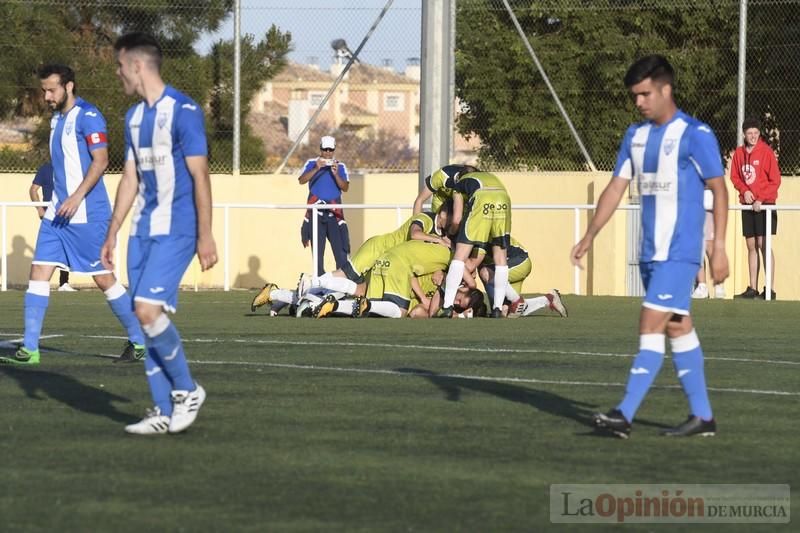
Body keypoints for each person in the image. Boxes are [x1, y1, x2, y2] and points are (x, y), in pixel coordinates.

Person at [570, 55, 729, 438]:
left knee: (649, 323)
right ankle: (703, 417)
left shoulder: (696, 134)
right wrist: (591, 234)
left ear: (665, 90)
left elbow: (720, 188)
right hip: (650, 254)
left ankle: (623, 415)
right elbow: (615, 188)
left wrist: (718, 245)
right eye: (635, 96)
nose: (639, 102)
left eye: (644, 94)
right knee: (678, 328)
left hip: (680, 252)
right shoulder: (635, 137)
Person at [101, 32, 217, 434]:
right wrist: (112, 231)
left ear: (136, 65)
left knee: (148, 310)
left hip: (179, 228)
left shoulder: (184, 110)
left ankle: (186, 391)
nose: (118, 74)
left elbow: (199, 173)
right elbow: (130, 178)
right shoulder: (133, 118)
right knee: (141, 316)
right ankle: (162, 411)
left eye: (119, 66)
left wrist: (206, 234)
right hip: (140, 232)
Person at [0, 64, 145, 367]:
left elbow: (101, 161)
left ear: (69, 86)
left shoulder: (89, 116)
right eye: (44, 90)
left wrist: (77, 197)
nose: (47, 95)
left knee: (103, 279)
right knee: (38, 272)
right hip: (57, 215)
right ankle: (30, 349)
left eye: (52, 89)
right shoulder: (56, 119)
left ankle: (139, 339)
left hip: (87, 215)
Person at [730, 118, 781, 300]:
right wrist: (745, 192)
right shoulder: (739, 153)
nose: (753, 136)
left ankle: (770, 289)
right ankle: (753, 288)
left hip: (765, 205)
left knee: (763, 244)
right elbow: (735, 177)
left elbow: (775, 180)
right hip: (747, 205)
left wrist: (761, 198)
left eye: (756, 133)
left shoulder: (766, 152)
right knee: (751, 245)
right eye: (749, 133)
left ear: (759, 134)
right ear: (744, 134)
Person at [299, 136, 350, 276]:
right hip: (316, 215)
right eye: (325, 149)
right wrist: (317, 168)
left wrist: (335, 174)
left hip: (334, 215)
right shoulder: (311, 163)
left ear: (334, 150)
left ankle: (341, 284)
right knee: (317, 255)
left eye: (330, 150)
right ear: (320, 148)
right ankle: (319, 284)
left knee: (340, 253)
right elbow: (301, 180)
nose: (327, 153)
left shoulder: (340, 166)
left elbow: (345, 187)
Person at [30, 161, 74, 291]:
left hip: (66, 214)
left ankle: (64, 283)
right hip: (49, 215)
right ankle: (40, 283)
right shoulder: (46, 169)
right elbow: (33, 189)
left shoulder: (70, 167)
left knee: (66, 246)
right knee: (47, 247)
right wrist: (39, 209)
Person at [692, 188, 725, 299]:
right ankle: (702, 286)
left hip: (708, 205)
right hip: (693, 206)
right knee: (697, 247)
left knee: (709, 246)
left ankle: (718, 284)